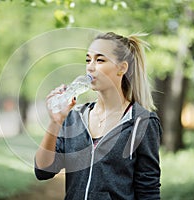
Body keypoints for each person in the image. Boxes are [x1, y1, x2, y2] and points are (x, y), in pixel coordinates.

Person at [34, 32, 162, 200]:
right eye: (88, 60)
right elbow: (43, 171)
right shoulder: (75, 117)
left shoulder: (142, 122)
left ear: (122, 68)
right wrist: (54, 123)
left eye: (100, 60)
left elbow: (148, 191)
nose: (90, 67)